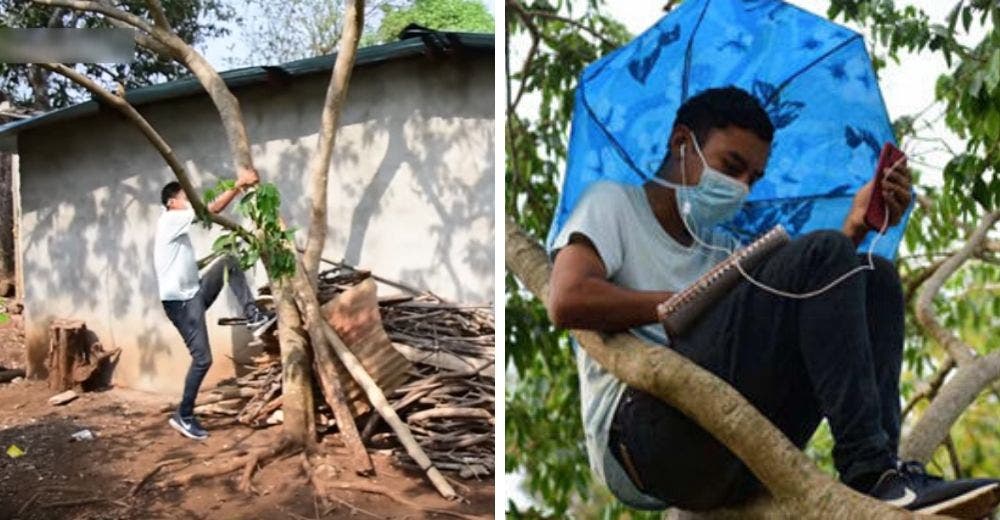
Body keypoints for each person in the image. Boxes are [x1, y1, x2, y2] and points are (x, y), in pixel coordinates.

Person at [547, 86, 1000, 517]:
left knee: (871, 273)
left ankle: (887, 476)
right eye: (731, 165)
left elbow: (801, 303)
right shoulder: (614, 203)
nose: (741, 186)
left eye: (753, 177)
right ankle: (870, 472)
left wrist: (855, 230)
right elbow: (566, 299)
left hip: (736, 448)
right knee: (823, 253)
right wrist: (675, 303)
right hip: (649, 442)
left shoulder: (724, 249)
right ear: (683, 142)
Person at [154, 167, 273, 440]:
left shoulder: (176, 224)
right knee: (202, 359)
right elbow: (210, 210)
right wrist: (240, 184)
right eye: (186, 198)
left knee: (228, 260)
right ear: (172, 202)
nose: (190, 202)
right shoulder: (171, 219)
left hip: (193, 294)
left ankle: (252, 314)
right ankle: (183, 415)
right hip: (182, 305)